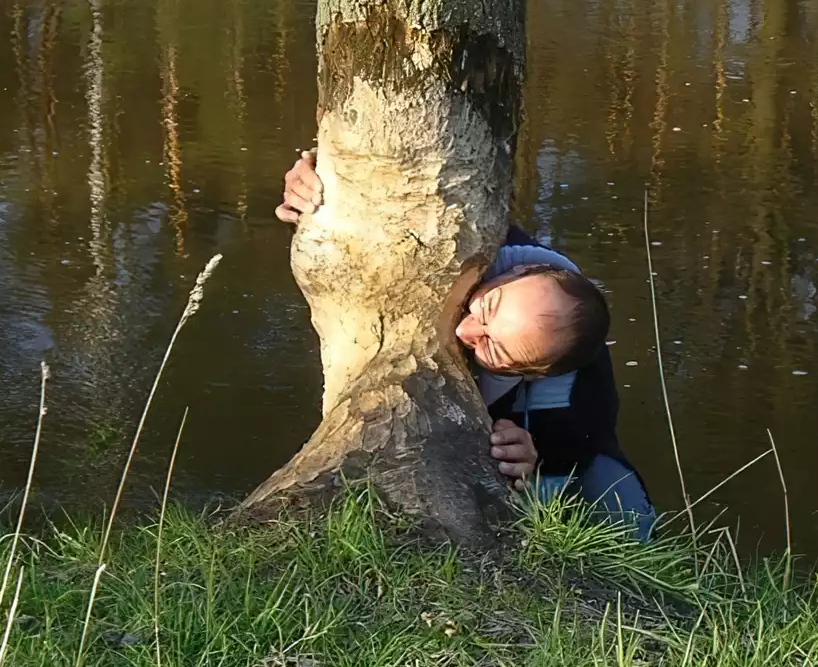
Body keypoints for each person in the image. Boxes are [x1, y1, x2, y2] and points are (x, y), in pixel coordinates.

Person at [277, 149, 656, 540]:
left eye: (495, 350)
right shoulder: (475, 236)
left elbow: (573, 450)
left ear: (530, 373)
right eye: (487, 307)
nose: (466, 332)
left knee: (621, 505)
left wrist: (534, 464)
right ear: (519, 270)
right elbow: (388, 203)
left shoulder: (574, 391)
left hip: (541, 438)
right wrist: (319, 188)